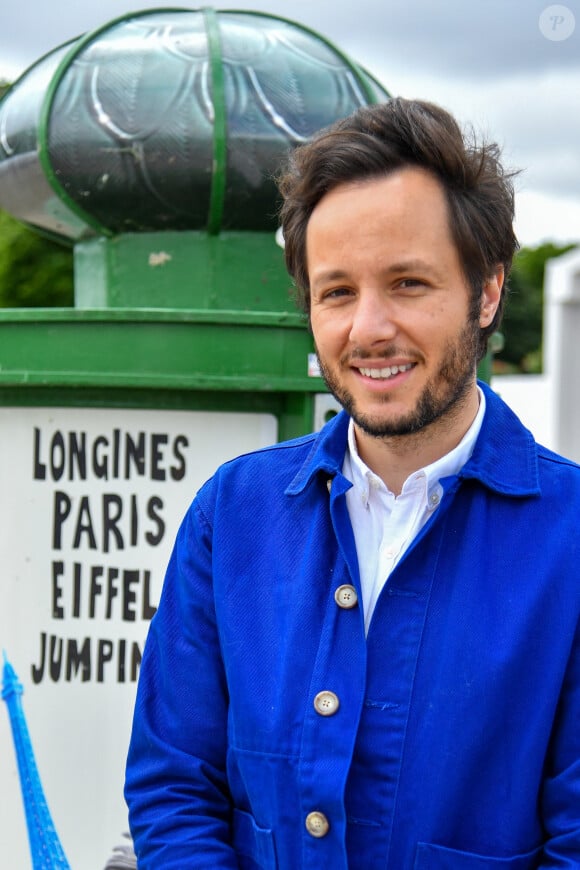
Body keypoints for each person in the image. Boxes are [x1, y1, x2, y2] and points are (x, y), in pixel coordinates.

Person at [124, 98, 580, 868]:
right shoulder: (230, 516)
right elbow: (176, 788)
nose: (368, 328)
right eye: (337, 291)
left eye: (407, 283)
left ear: (489, 291)